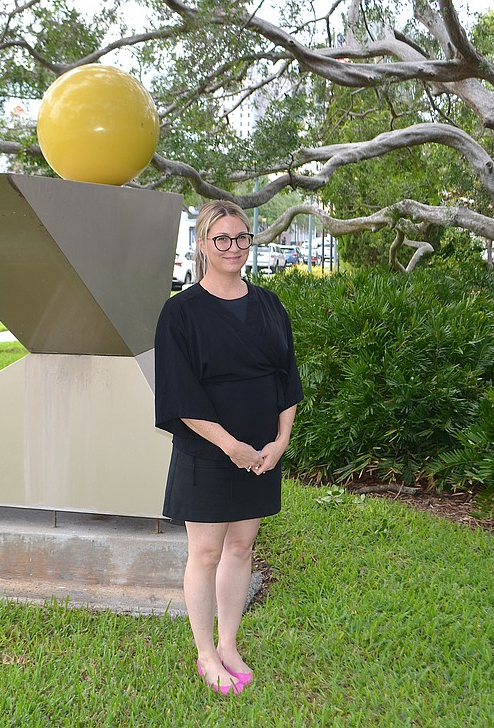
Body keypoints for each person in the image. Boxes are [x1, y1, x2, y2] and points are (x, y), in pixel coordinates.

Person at [154, 200, 303, 695]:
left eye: (242, 238)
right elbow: (178, 393)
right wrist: (230, 446)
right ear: (202, 244)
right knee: (206, 551)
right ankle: (204, 653)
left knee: (241, 548)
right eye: (222, 239)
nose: (234, 248)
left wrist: (280, 440)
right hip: (208, 451)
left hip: (262, 452)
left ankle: (230, 642)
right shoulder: (180, 312)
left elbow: (287, 380)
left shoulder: (269, 305)